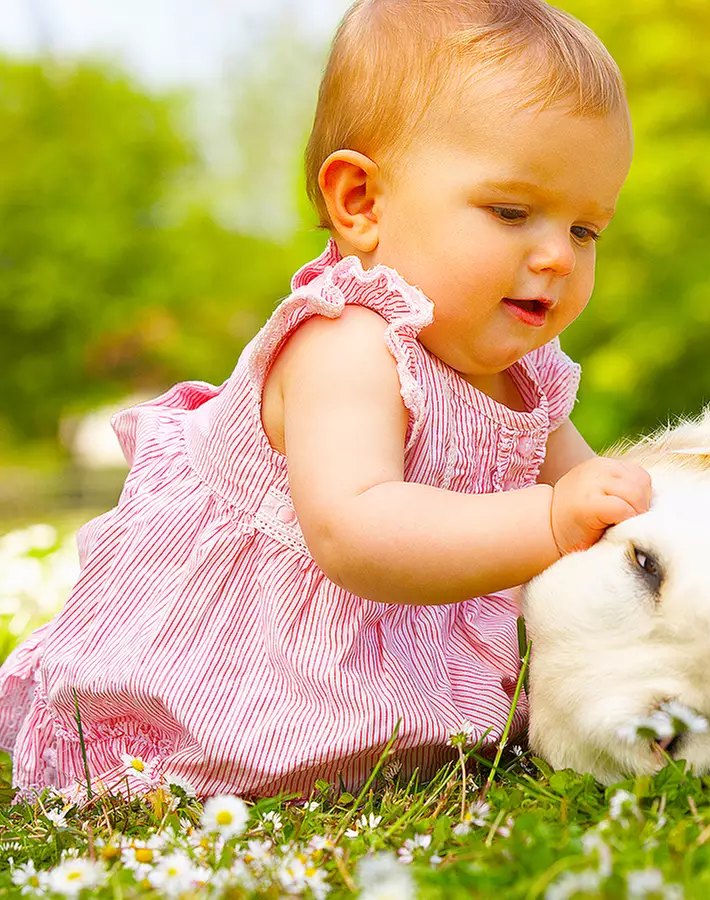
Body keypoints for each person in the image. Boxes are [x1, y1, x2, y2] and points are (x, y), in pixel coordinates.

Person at [0, 0, 651, 799]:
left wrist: (634, 516)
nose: (556, 256)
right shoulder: (346, 343)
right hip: (250, 668)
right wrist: (550, 520)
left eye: (587, 230)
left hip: (391, 655)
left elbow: (598, 499)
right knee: (201, 761)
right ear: (360, 203)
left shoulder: (530, 372)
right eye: (512, 212)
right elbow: (357, 529)